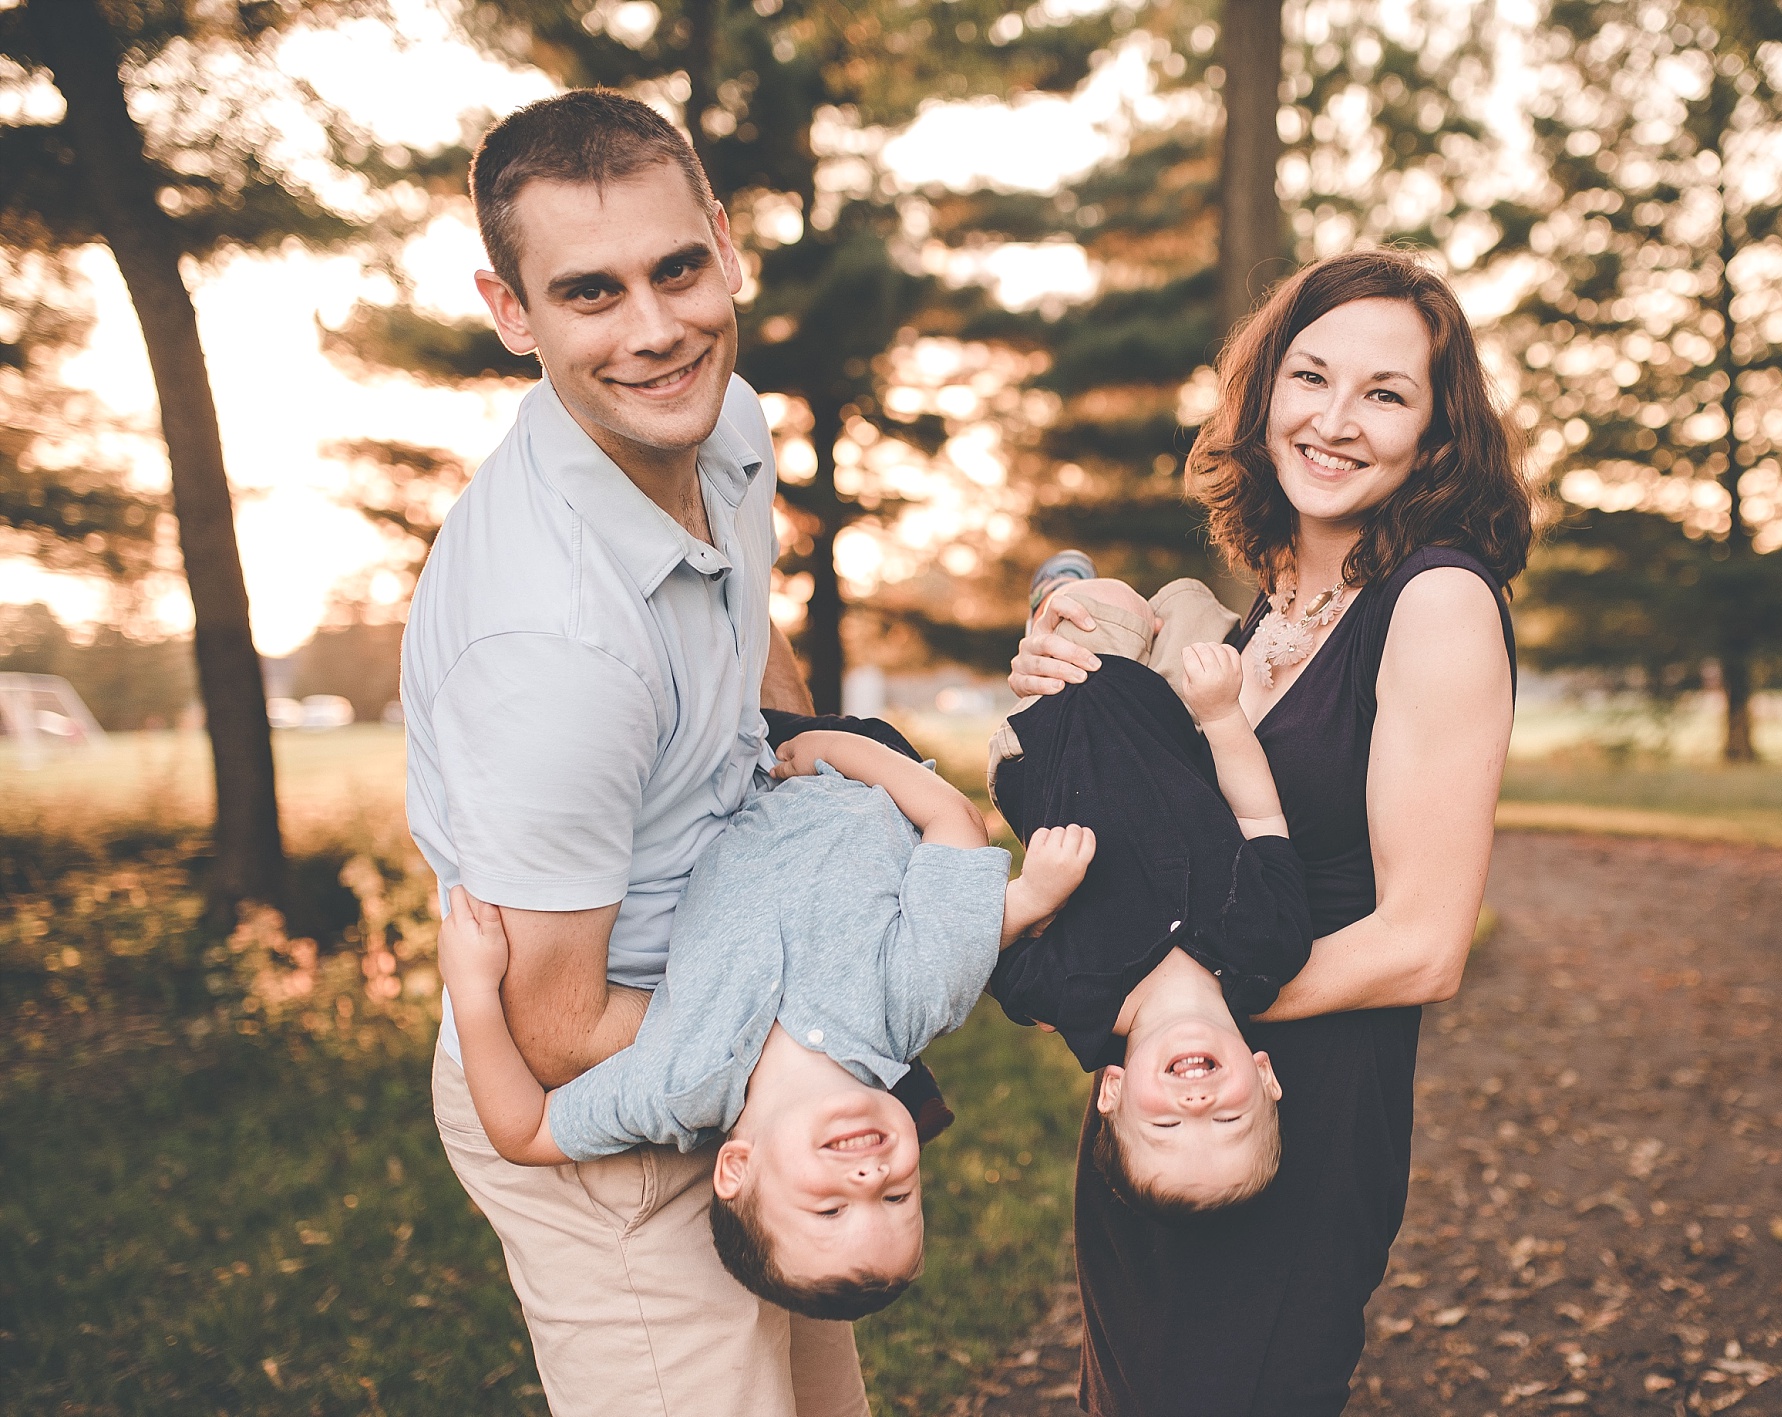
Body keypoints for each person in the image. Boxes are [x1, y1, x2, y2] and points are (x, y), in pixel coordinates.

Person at [401, 90, 874, 1416]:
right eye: (591, 293)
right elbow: (553, 1030)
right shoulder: (550, 648)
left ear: (725, 245)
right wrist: (817, 1051)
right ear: (514, 311)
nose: (658, 331)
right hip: (602, 1105)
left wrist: (820, 770)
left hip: (722, 1011)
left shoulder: (726, 425)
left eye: (677, 269)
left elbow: (743, 627)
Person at [1009, 248, 1532, 1415]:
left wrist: (1159, 1015)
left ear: (1437, 431)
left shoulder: (1437, 600)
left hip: (1292, 1109)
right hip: (1163, 1115)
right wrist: (1066, 674)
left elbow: (1423, 943)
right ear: (1264, 396)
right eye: (1309, 377)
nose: (1335, 422)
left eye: (1385, 393)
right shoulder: (1270, 607)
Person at [435, 729, 1092, 1319]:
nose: (871, 1181)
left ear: (736, 1169)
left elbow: (525, 1130)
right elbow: (951, 817)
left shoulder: (675, 1083)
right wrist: (838, 749)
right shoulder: (918, 999)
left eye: (831, 1209)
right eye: (899, 1198)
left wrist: (471, 989)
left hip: (717, 782)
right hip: (852, 763)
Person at [987, 576, 1311, 1214]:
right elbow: (1261, 819)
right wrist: (1223, 715)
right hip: (1180, 721)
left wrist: (1033, 893)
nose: (1198, 1108)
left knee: (1110, 605)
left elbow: (970, 943)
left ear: (1113, 1091)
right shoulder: (1270, 946)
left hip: (1065, 716)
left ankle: (1060, 578)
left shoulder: (1069, 994)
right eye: (1228, 1123)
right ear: (1267, 1079)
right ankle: (1131, 618)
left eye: (1166, 1128)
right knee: (1191, 603)